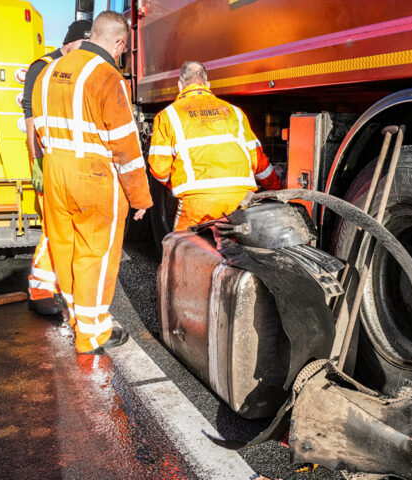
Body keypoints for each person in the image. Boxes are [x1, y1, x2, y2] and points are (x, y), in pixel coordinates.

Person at [31, 11, 152, 354]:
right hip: (94, 174)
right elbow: (125, 144)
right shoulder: (107, 76)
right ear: (119, 43)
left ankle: (76, 318)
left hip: (55, 167)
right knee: (95, 254)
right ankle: (93, 333)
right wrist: (140, 197)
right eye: (123, 50)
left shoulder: (48, 70)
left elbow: (37, 124)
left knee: (65, 247)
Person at [147, 61, 282, 231]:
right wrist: (277, 191)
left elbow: (159, 169)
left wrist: (182, 185)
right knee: (238, 253)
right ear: (208, 85)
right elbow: (259, 163)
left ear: (180, 86)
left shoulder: (168, 116)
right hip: (239, 200)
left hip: (197, 202)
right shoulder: (235, 112)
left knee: (183, 250)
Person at [22, 19, 92, 316]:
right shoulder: (42, 67)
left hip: (70, 164)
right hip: (48, 159)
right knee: (54, 228)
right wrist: (36, 160)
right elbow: (30, 117)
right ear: (69, 42)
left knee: (68, 228)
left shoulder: (76, 67)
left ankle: (63, 285)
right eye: (82, 47)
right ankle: (40, 292)